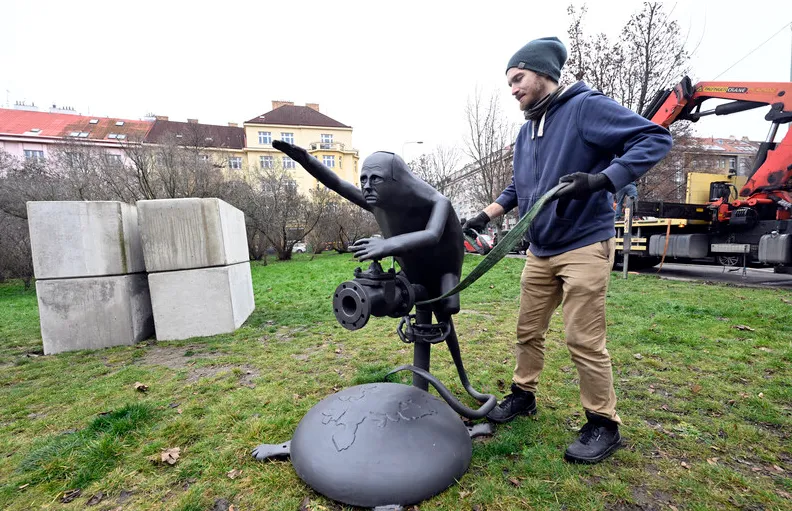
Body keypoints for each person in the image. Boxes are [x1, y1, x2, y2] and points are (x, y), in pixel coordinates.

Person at [463, 36, 672, 464]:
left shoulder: (584, 107)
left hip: (584, 244)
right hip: (540, 250)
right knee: (527, 330)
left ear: (544, 74)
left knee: (583, 338)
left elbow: (655, 138)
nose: (513, 88)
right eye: (509, 81)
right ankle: (523, 395)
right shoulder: (527, 130)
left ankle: (603, 423)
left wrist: (602, 179)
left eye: (518, 78)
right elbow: (520, 186)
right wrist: (486, 215)